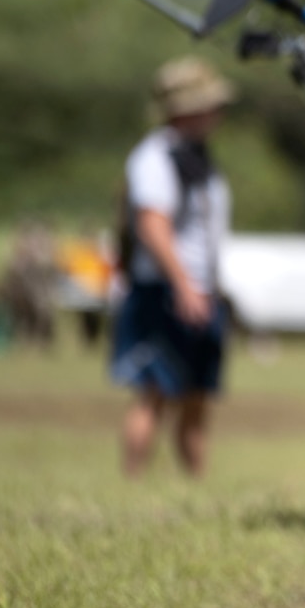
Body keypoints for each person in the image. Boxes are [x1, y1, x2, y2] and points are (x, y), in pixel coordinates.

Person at [113, 57, 235, 478]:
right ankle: (133, 482)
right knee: (153, 392)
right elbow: (152, 224)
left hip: (201, 290)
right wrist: (183, 286)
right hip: (164, 290)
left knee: (198, 396)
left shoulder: (197, 157)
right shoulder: (155, 157)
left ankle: (195, 486)